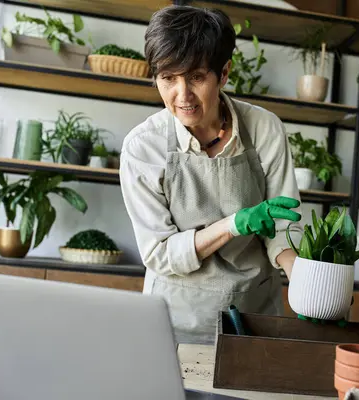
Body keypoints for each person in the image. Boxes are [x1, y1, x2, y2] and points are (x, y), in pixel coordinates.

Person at [119, 5, 304, 345]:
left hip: (254, 319)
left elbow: (283, 224)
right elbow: (159, 253)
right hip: (176, 324)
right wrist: (233, 224)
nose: (182, 95)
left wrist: (307, 285)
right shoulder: (143, 148)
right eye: (168, 78)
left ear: (225, 73)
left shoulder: (264, 129)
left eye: (196, 77)